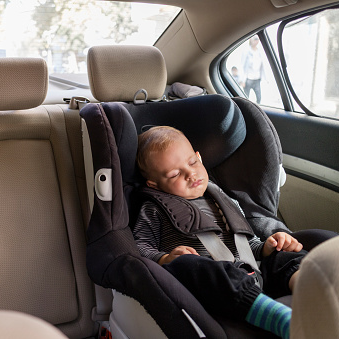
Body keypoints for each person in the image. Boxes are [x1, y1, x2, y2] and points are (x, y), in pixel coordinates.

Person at [133, 126, 306, 339]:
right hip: (212, 286)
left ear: (199, 157)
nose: (190, 174)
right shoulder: (153, 209)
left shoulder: (225, 201)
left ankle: (313, 291)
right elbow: (140, 247)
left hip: (253, 274)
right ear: (155, 185)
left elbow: (247, 246)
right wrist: (166, 258)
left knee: (285, 252)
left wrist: (267, 247)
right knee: (190, 266)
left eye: (192, 162)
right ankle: (279, 318)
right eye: (175, 174)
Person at [241, 36, 265, 103]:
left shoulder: (259, 52)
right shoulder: (246, 51)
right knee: (246, 98)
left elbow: (262, 65)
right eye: (255, 39)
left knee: (259, 98)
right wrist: (242, 80)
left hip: (257, 79)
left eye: (257, 39)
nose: (256, 41)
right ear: (251, 40)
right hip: (248, 79)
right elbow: (242, 66)